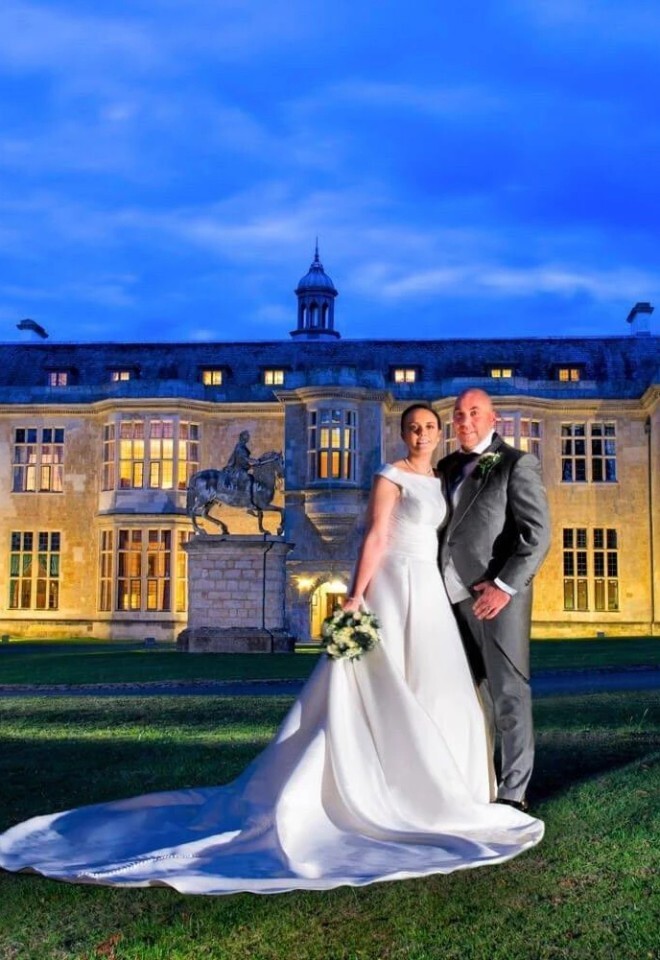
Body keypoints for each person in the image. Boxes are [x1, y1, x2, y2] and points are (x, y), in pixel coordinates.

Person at [0, 404, 543, 896]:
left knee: (441, 686)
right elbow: (376, 536)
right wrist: (354, 597)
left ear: (440, 431)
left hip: (433, 594)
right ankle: (391, 787)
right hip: (397, 586)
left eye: (432, 426)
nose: (424, 432)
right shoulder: (390, 473)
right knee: (382, 686)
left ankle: (459, 786)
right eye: (414, 427)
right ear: (399, 434)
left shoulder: (446, 471)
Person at [436, 389, 551, 812]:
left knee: (508, 693)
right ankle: (477, 780)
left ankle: (513, 792)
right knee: (468, 696)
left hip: (495, 596)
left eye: (474, 413)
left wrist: (503, 587)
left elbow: (536, 535)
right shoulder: (445, 467)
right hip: (445, 598)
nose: (464, 421)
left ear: (493, 419)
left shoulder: (517, 464)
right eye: (459, 414)